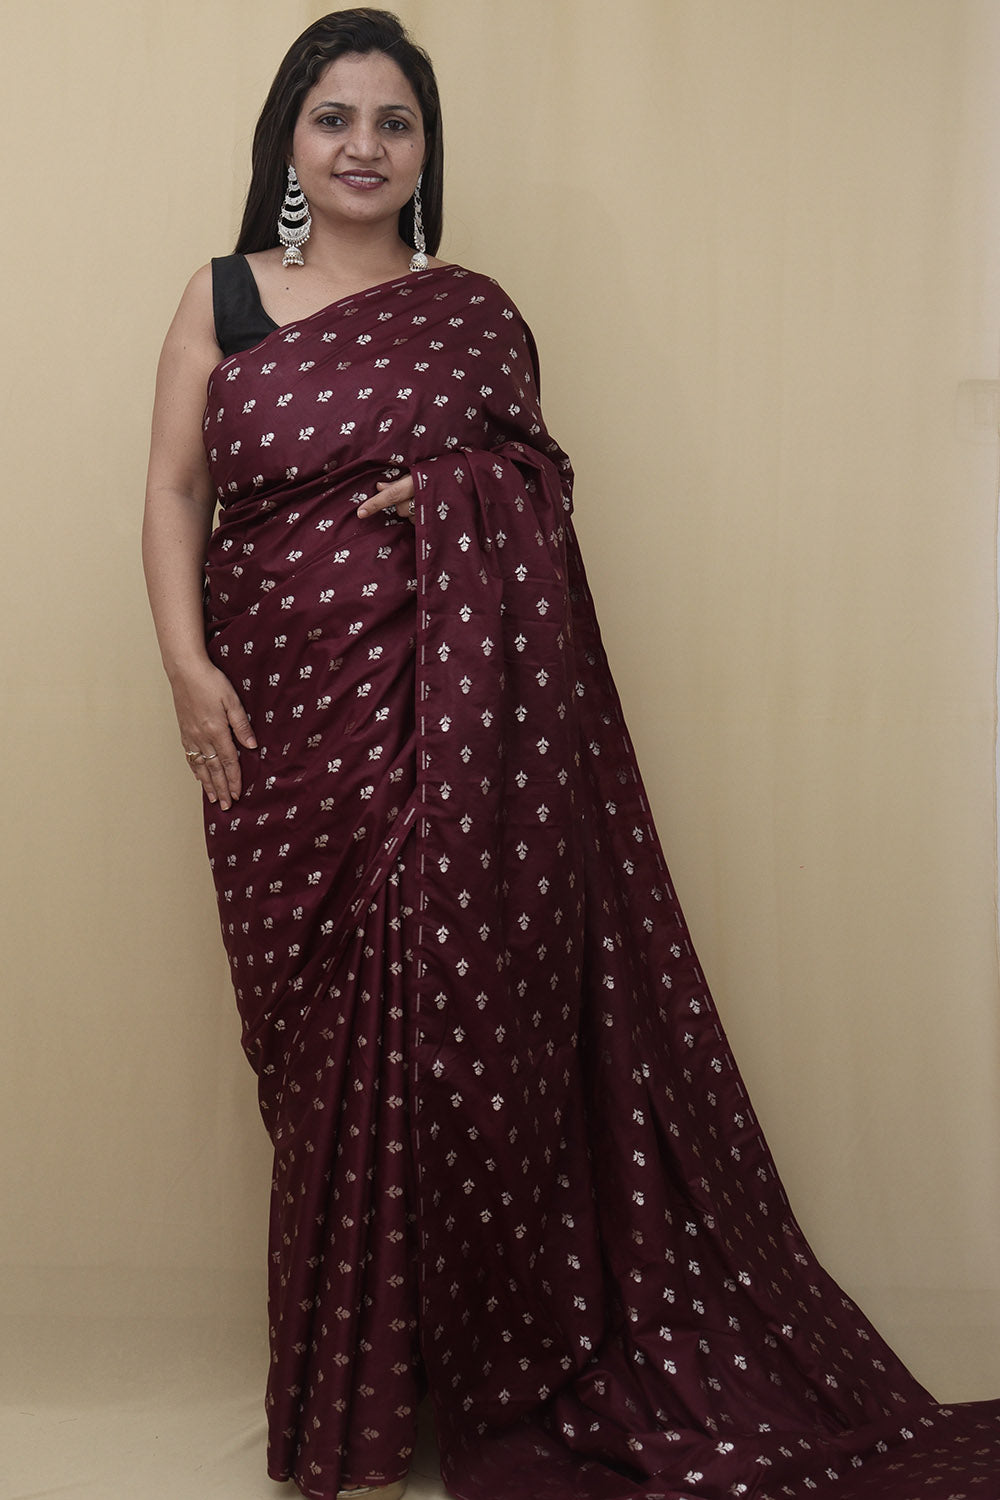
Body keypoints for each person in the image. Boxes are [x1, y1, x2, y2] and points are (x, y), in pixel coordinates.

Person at [143, 10, 1000, 1500]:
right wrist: (186, 670)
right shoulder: (221, 300)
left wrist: (457, 495)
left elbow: (541, 480)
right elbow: (171, 495)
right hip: (284, 729)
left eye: (395, 122)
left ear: (427, 152)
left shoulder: (470, 312)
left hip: (454, 736)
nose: (363, 147)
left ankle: (463, 1377)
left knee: (459, 1032)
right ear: (289, 139)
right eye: (335, 117)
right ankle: (342, 1395)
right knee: (324, 1054)